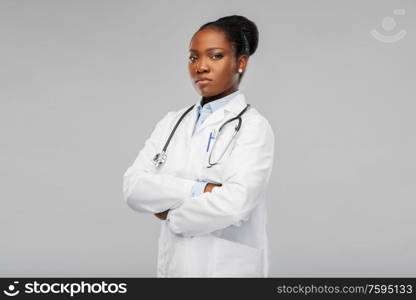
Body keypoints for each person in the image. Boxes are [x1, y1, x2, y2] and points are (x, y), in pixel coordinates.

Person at [123, 15, 275, 277]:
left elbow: (236, 204)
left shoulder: (253, 126)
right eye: (193, 57)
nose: (200, 67)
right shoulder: (172, 122)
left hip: (227, 269)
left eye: (215, 56)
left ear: (240, 62)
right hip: (175, 266)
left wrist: (171, 215)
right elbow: (134, 188)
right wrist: (201, 189)